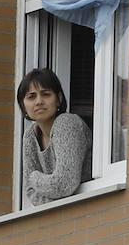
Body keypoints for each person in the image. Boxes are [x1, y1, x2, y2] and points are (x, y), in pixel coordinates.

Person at [17, 68, 89, 207]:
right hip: (61, 213)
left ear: (59, 99)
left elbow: (64, 184)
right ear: (23, 105)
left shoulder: (67, 123)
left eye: (46, 94)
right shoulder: (30, 136)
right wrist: (53, 197)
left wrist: (34, 178)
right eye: (31, 96)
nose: (39, 101)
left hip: (87, 206)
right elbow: (31, 192)